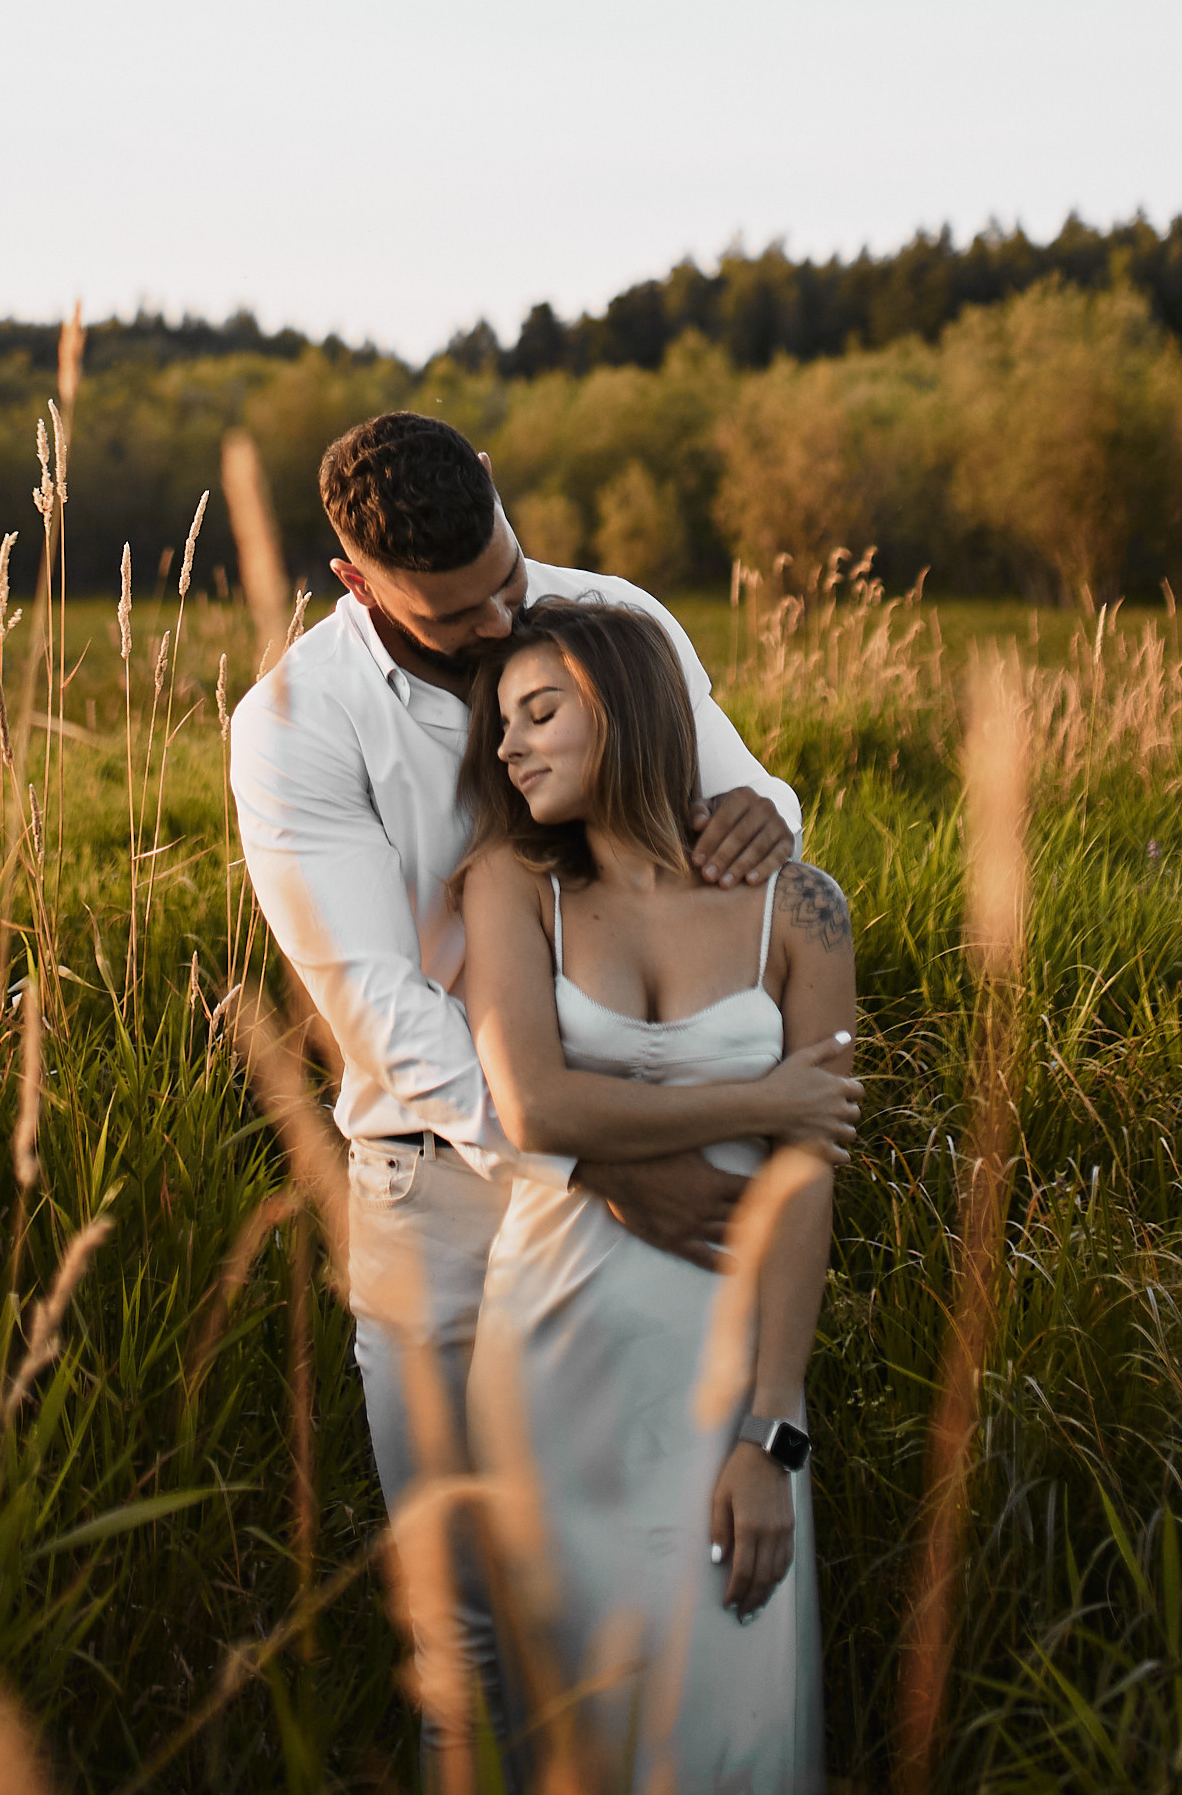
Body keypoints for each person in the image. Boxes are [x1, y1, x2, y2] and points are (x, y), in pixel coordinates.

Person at [228, 410, 801, 1769]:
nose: (503, 620)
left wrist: (766, 811)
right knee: (470, 1620)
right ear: (354, 584)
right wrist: (589, 1155)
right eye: (457, 615)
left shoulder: (611, 618)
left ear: (495, 493)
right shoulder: (295, 727)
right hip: (440, 1195)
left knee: (653, 1565)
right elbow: (379, 1015)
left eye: (506, 578)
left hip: (656, 1138)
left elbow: (733, 822)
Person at [458, 598, 858, 1791]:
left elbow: (808, 1173)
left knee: (728, 1717)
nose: (508, 746)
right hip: (548, 1356)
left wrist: (769, 1434)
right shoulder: (509, 885)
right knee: (567, 1724)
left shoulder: (802, 906)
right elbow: (537, 1109)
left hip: (724, 1372)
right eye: (500, 724)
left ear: (624, 712)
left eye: (540, 712)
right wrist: (761, 1099)